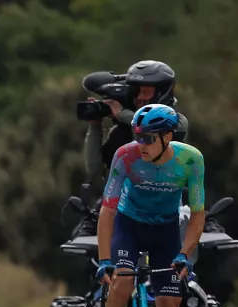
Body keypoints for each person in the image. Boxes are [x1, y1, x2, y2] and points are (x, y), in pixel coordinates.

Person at [97, 103, 205, 307]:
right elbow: (108, 210)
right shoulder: (125, 156)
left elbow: (197, 213)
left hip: (165, 232)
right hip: (129, 226)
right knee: (123, 281)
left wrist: (184, 253)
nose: (140, 144)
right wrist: (105, 258)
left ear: (167, 137)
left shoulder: (190, 160)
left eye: (147, 138)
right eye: (137, 136)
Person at [77, 60, 189, 236]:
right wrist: (95, 126)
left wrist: (122, 113)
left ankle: (206, 222)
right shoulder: (120, 134)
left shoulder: (176, 122)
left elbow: (157, 127)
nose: (139, 98)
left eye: (146, 92)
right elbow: (94, 169)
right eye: (136, 92)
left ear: (162, 92)